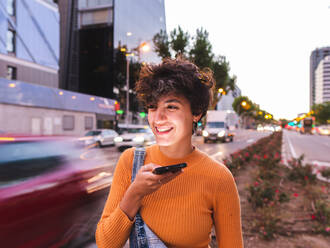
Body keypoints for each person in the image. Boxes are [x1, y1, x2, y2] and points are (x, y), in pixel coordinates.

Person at [95, 57, 243, 247]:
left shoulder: (219, 178)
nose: (158, 118)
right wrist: (135, 193)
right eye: (152, 107)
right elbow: (105, 244)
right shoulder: (130, 161)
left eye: (171, 107)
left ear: (196, 112)